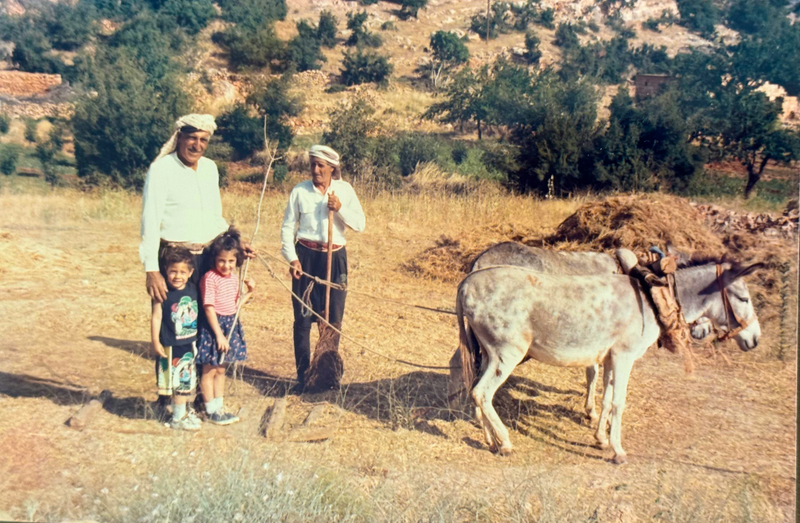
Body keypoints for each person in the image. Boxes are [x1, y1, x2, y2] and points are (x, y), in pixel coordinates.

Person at [139, 113, 252, 411]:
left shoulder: (210, 169)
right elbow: (149, 221)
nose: (197, 145)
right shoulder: (161, 170)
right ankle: (169, 402)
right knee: (176, 331)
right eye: (192, 138)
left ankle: (203, 398)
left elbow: (214, 216)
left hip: (206, 257)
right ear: (179, 136)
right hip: (175, 259)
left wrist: (235, 241)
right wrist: (152, 269)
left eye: (204, 140)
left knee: (203, 327)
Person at [280, 145, 365, 393]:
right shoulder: (300, 191)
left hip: (334, 257)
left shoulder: (345, 191)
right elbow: (287, 227)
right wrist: (292, 258)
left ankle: (327, 378)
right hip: (305, 257)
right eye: (313, 164)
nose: (316, 170)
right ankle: (303, 378)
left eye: (321, 165)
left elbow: (360, 224)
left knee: (332, 320)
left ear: (332, 168)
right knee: (303, 320)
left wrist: (339, 209)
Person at [196, 227, 254, 425]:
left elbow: (236, 305)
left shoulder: (232, 278)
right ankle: (210, 408)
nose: (226, 265)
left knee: (221, 369)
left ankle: (218, 406)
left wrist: (250, 292)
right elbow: (209, 308)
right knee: (209, 370)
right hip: (215, 327)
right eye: (222, 261)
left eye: (231, 261)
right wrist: (219, 335)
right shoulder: (210, 278)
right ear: (214, 260)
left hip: (230, 324)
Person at [151, 246, 201, 430]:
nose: (177, 276)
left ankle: (181, 414)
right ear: (166, 270)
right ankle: (176, 417)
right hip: (169, 345)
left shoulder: (193, 289)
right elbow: (156, 317)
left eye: (182, 272)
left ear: (190, 273)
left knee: (185, 380)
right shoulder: (162, 292)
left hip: (188, 344)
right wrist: (155, 341)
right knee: (172, 381)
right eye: (173, 271)